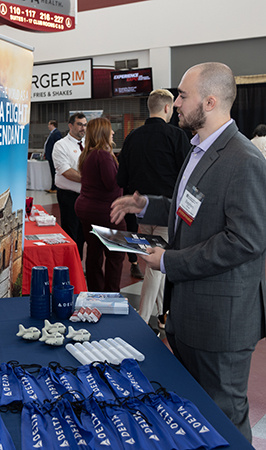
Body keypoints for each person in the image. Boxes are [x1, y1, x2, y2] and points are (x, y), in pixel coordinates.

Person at [110, 62, 266, 442]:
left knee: (225, 416)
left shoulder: (244, 161)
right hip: (190, 313)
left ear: (210, 101)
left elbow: (245, 240)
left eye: (183, 95)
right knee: (196, 413)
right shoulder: (199, 149)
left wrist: (167, 261)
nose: (176, 103)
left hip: (222, 322)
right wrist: (146, 204)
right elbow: (189, 209)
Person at [117, 89, 190, 325]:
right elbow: (188, 176)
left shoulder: (132, 137)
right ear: (168, 108)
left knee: (152, 265)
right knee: (155, 266)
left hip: (139, 212)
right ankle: (144, 318)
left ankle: (161, 315)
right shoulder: (177, 136)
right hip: (168, 213)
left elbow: (121, 178)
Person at [75, 117, 126, 291]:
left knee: (94, 254)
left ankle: (96, 292)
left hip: (87, 209)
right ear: (103, 133)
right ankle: (112, 295)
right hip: (106, 212)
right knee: (116, 256)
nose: (113, 132)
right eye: (110, 129)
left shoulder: (88, 154)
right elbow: (111, 183)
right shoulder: (103, 156)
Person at [52, 112, 86, 259]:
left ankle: (79, 262)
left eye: (85, 125)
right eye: (79, 124)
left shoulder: (88, 144)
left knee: (83, 234)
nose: (82, 128)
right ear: (70, 125)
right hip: (69, 197)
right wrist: (90, 180)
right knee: (71, 232)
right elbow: (67, 172)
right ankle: (71, 265)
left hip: (86, 196)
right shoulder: (61, 145)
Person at [44, 119, 62, 193]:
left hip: (53, 156)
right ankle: (53, 187)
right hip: (50, 156)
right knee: (52, 172)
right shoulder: (52, 133)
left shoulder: (56, 133)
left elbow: (58, 145)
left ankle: (55, 188)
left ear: (52, 125)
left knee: (54, 172)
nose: (48, 126)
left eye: (49, 124)